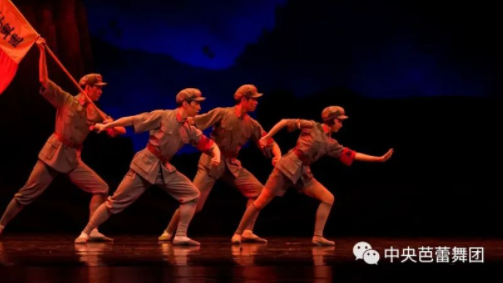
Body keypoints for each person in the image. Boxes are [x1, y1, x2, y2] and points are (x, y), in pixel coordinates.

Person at [0, 39, 125, 241]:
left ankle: (92, 230)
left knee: (101, 188)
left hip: (72, 158)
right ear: (87, 87)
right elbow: (44, 80)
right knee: (26, 194)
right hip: (54, 153)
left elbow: (120, 130)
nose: (101, 91)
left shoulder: (96, 112)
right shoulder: (66, 100)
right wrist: (42, 51)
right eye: (98, 88)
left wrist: (110, 125)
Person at [74, 88, 222, 246]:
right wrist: (108, 125)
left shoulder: (189, 129)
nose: (199, 107)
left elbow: (209, 144)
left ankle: (180, 235)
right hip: (145, 165)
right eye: (196, 104)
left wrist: (217, 155)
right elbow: (133, 120)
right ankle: (86, 232)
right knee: (115, 203)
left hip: (164, 169)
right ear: (185, 104)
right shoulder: (163, 116)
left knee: (192, 195)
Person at [232, 106, 393, 245]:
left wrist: (378, 159)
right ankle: (239, 233)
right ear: (332, 120)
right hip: (287, 166)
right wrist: (267, 137)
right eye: (339, 121)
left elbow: (352, 154)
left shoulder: (331, 143)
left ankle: (318, 236)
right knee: (260, 201)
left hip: (303, 172)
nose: (341, 124)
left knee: (328, 198)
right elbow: (284, 122)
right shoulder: (311, 125)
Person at [158, 84, 280, 244]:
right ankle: (169, 231)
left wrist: (278, 156)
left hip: (232, 165)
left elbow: (269, 141)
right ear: (244, 100)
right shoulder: (222, 113)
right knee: (194, 201)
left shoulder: (252, 124)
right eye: (253, 99)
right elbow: (195, 121)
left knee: (259, 193)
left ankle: (247, 231)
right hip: (211, 162)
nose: (256, 102)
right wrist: (171, 124)